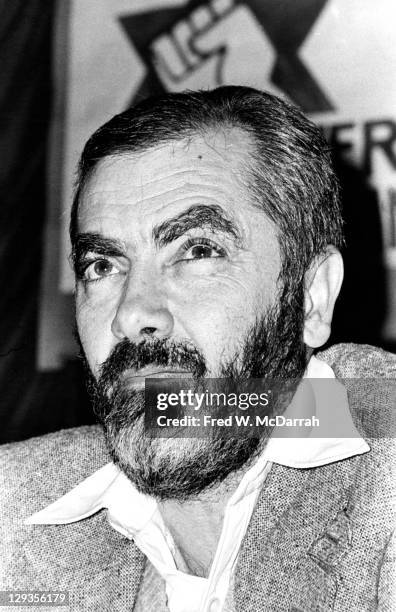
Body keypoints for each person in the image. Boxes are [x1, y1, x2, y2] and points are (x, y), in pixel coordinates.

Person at [1, 86, 395, 612]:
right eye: (102, 265)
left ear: (311, 297)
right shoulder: (12, 505)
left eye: (197, 251)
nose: (132, 315)